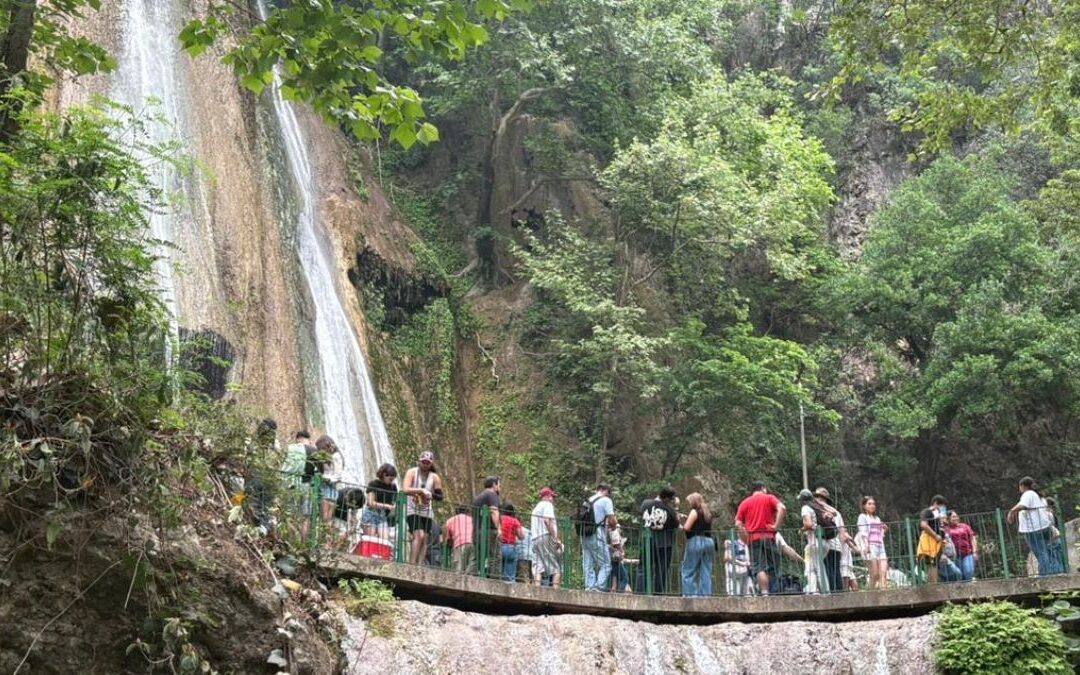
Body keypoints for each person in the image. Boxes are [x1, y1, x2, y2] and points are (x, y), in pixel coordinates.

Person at [735, 481, 786, 595]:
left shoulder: (744, 503)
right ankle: (772, 591)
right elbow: (782, 508)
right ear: (763, 488)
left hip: (753, 538)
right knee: (773, 565)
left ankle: (764, 593)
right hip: (769, 536)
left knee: (758, 567)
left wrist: (745, 539)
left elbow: (738, 524)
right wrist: (776, 526)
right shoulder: (769, 498)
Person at [1007, 477, 1062, 576]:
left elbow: (1023, 505)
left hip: (1033, 529)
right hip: (1044, 526)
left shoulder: (1028, 494)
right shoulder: (1038, 496)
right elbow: (1021, 504)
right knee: (1048, 551)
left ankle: (1045, 575)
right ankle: (1057, 571)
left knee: (1041, 552)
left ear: (1022, 486)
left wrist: (1011, 512)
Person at [403, 451, 444, 566]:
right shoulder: (412, 472)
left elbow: (440, 496)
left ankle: (420, 565)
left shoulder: (434, 477)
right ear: (419, 461)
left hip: (426, 511)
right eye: (423, 462)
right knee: (419, 535)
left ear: (431, 464)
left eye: (428, 463)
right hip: (412, 509)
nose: (425, 464)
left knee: (425, 538)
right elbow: (405, 489)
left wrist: (431, 494)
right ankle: (412, 564)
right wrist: (420, 491)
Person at [640, 487, 680, 594]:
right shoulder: (669, 509)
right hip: (665, 543)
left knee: (643, 568)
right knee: (661, 570)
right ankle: (658, 594)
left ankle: (641, 592)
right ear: (666, 498)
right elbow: (676, 524)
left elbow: (642, 515)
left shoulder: (645, 503)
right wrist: (676, 507)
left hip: (647, 539)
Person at [581, 483, 616, 592]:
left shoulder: (588, 500)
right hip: (597, 532)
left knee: (588, 562)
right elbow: (611, 519)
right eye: (608, 493)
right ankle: (599, 587)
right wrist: (614, 526)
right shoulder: (606, 500)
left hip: (584, 533)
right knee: (606, 564)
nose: (609, 495)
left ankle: (589, 587)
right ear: (605, 490)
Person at [680, 492, 715, 597]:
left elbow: (687, 527)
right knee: (706, 570)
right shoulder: (707, 513)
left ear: (693, 502)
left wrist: (681, 524)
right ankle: (705, 596)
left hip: (696, 541)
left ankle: (690, 595)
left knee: (688, 570)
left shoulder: (694, 512)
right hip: (709, 541)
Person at [530, 487, 563, 587]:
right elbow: (546, 521)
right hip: (545, 536)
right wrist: (555, 538)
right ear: (547, 496)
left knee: (538, 566)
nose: (553, 499)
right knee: (555, 567)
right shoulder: (547, 505)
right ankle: (555, 592)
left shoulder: (535, 508)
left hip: (535, 538)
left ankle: (537, 590)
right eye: (552, 496)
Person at [473, 476, 503, 578]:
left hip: (477, 530)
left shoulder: (478, 497)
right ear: (494, 485)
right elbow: (494, 511)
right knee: (495, 557)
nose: (500, 487)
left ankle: (468, 577)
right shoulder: (492, 495)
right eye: (499, 485)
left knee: (478, 558)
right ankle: (495, 582)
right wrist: (499, 529)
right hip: (489, 531)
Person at [857, 496, 889, 590]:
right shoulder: (862, 517)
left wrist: (884, 530)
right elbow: (863, 532)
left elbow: (880, 533)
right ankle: (870, 594)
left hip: (880, 546)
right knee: (875, 574)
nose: (872, 506)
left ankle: (884, 596)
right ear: (864, 506)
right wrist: (866, 546)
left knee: (883, 573)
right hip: (871, 546)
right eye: (869, 504)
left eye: (873, 504)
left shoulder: (877, 518)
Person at [798, 489, 827, 594]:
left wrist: (801, 530)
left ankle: (814, 590)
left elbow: (809, 524)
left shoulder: (805, 508)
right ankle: (823, 590)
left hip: (814, 541)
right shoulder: (817, 507)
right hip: (823, 541)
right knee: (819, 566)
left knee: (812, 567)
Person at [916, 495, 949, 583]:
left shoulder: (937, 515)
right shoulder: (927, 512)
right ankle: (933, 586)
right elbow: (924, 525)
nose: (942, 509)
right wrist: (935, 535)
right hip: (929, 541)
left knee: (935, 563)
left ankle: (934, 584)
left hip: (936, 542)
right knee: (932, 563)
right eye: (941, 506)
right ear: (935, 504)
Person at [314, 435, 343, 528]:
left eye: (320, 448)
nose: (319, 451)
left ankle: (326, 540)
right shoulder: (325, 457)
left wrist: (328, 478)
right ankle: (324, 539)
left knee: (327, 518)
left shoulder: (336, 456)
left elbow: (338, 475)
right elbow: (324, 471)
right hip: (325, 487)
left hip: (331, 488)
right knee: (325, 518)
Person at [362, 463, 397, 539]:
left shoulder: (393, 487)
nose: (392, 481)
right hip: (370, 514)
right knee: (371, 540)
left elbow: (395, 501)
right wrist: (387, 506)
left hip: (382, 516)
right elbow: (370, 503)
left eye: (393, 479)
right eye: (390, 479)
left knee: (385, 540)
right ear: (384, 475)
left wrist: (394, 506)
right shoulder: (373, 484)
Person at [943, 510, 977, 581]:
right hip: (955, 556)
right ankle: (965, 590)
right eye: (953, 517)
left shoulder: (965, 526)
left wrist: (974, 552)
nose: (955, 518)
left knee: (968, 572)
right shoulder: (946, 529)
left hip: (968, 553)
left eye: (956, 516)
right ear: (948, 519)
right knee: (959, 575)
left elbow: (972, 538)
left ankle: (968, 588)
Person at [442, 505, 476, 574]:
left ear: (456, 512)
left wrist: (449, 544)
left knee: (458, 568)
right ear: (467, 512)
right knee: (471, 565)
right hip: (473, 543)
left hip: (459, 544)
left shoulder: (450, 520)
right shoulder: (472, 519)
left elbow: (448, 539)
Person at [500, 503, 525, 582]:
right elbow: (521, 537)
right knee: (509, 576)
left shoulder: (499, 519)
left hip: (498, 547)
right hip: (510, 547)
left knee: (496, 573)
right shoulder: (515, 521)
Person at [609, 524, 632, 593]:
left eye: (619, 528)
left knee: (616, 575)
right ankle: (621, 591)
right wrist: (621, 552)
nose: (619, 529)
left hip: (616, 560)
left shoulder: (614, 536)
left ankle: (616, 589)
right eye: (617, 528)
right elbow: (616, 547)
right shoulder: (614, 536)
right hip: (615, 559)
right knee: (625, 577)